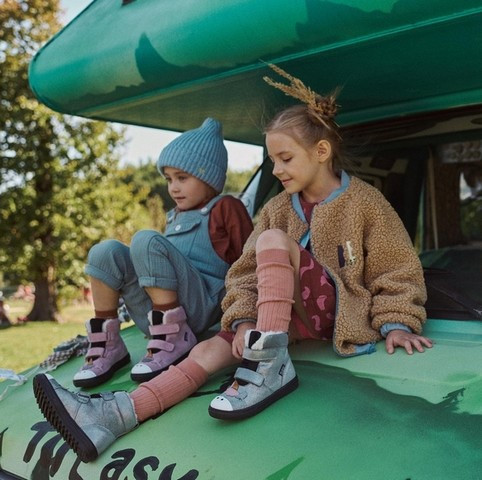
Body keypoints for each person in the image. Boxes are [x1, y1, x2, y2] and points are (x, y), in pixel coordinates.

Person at [33, 65, 432, 462]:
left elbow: (395, 266)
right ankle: (115, 415)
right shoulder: (276, 207)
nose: (276, 170)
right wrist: (242, 321)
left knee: (273, 242)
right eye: (272, 160)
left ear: (321, 152)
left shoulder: (364, 203)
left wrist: (396, 322)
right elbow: (242, 273)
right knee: (206, 352)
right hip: (277, 322)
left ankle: (269, 365)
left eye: (286, 158)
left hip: (338, 313)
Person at [71, 117, 253, 388]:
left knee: (145, 239)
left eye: (182, 178)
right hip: (156, 320)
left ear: (208, 177)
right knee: (104, 251)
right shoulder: (175, 215)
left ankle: (176, 336)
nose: (173, 187)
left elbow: (249, 263)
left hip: (200, 306)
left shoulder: (225, 206)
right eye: (168, 179)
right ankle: (109, 344)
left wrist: (244, 319)